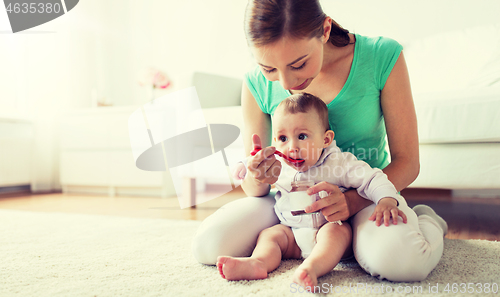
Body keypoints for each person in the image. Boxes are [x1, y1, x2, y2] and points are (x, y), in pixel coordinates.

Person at [192, 0, 448, 281]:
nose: (286, 83)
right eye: (269, 69)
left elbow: (408, 162)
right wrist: (259, 175)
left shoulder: (381, 56)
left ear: (325, 30)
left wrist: (351, 202)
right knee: (207, 246)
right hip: (290, 200)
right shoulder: (254, 83)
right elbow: (255, 187)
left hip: (365, 196)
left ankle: (427, 220)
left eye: (298, 64)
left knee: (403, 262)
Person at [216, 93, 408, 290]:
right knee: (269, 235)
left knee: (338, 232)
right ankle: (258, 262)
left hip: (327, 228)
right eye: (283, 138)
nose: (292, 147)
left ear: (325, 139)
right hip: (291, 233)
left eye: (302, 136)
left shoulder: (338, 163)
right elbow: (254, 162)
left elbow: (372, 177)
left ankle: (311, 268)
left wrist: (386, 199)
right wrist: (244, 165)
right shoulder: (279, 163)